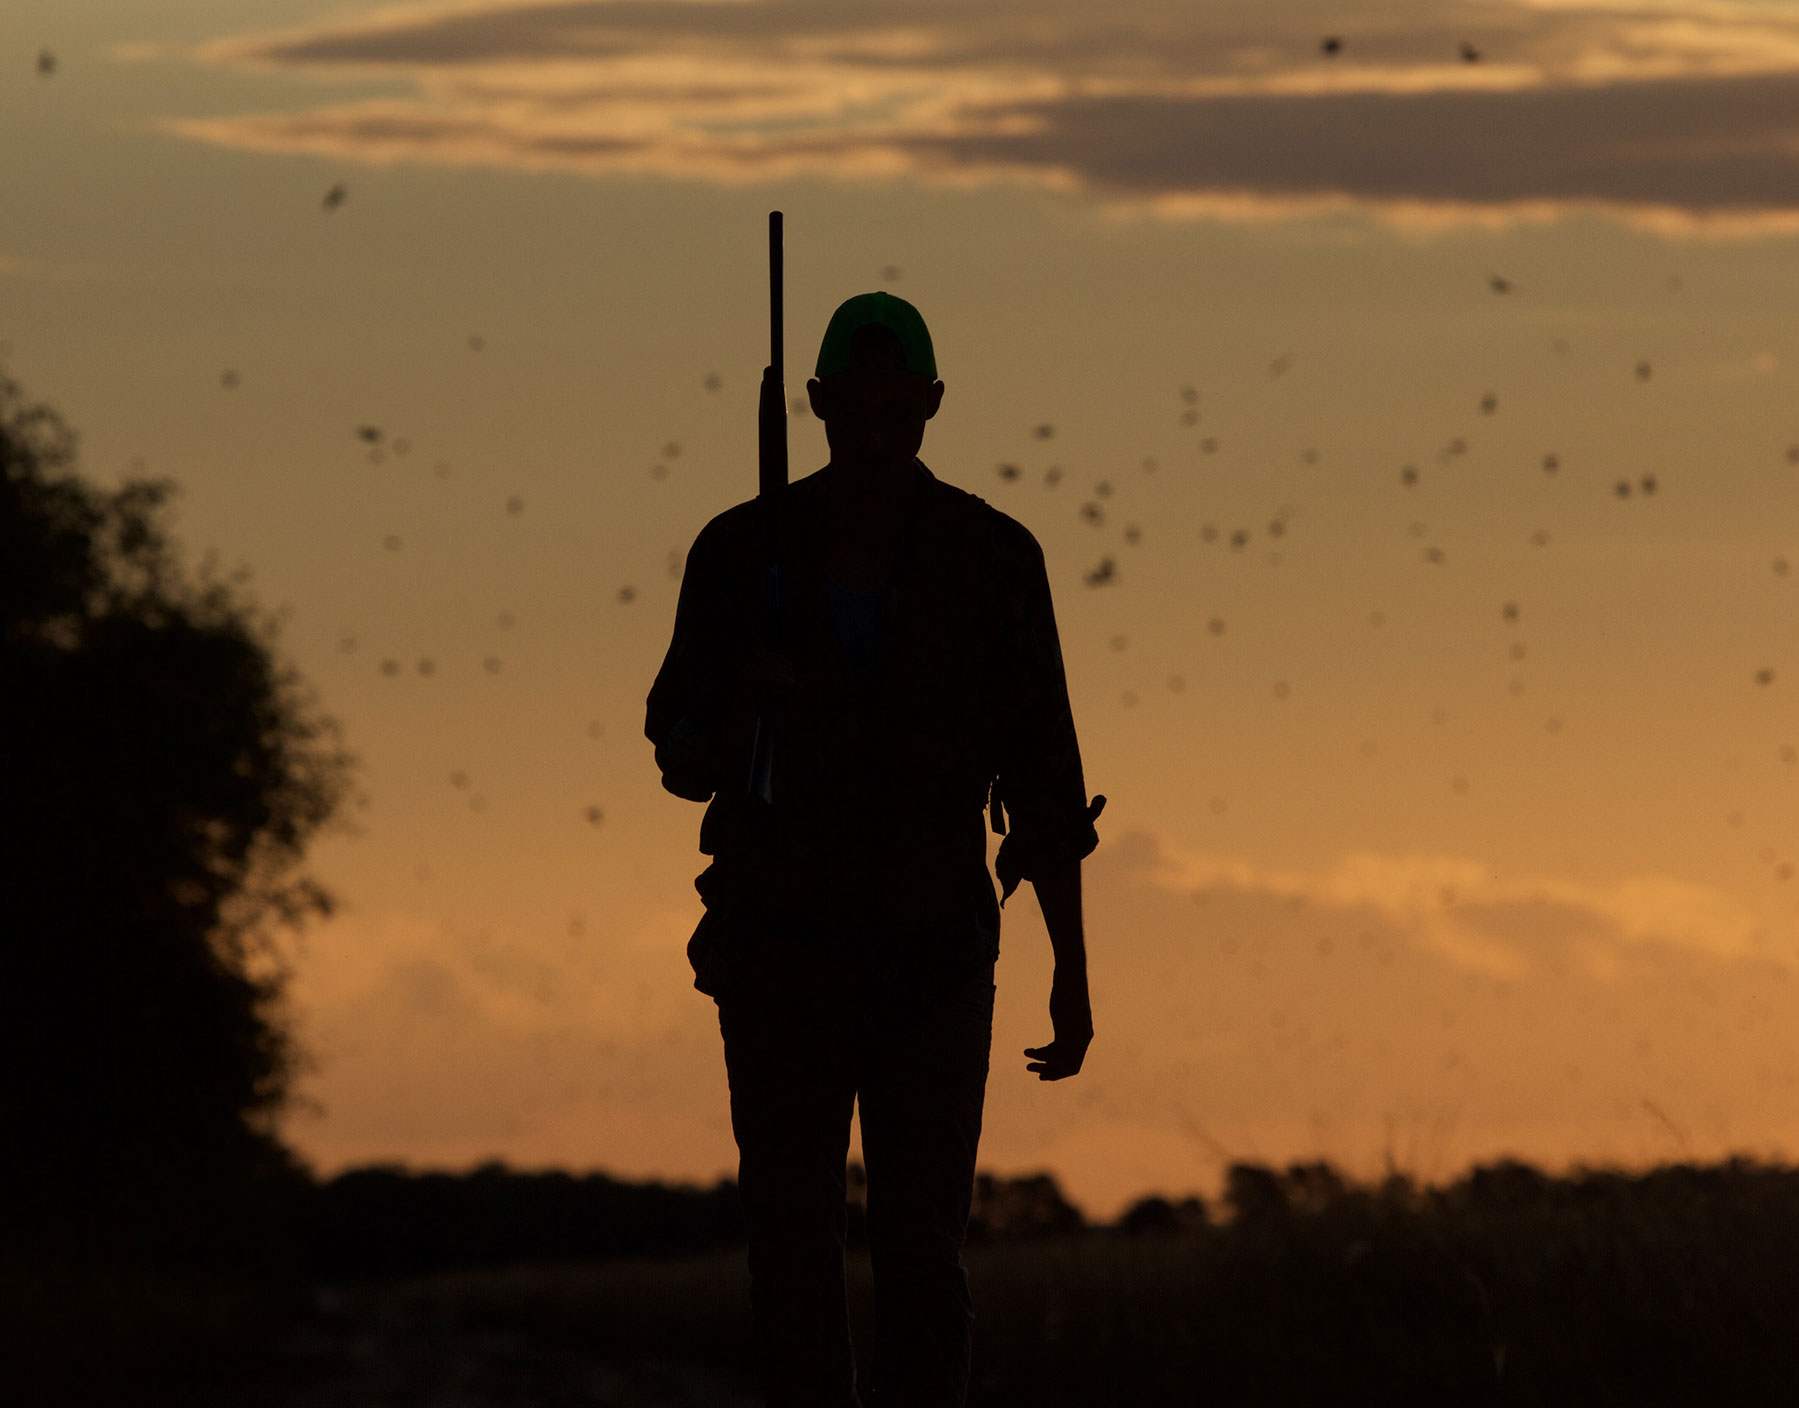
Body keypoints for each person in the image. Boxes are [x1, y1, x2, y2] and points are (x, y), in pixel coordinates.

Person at [645, 291, 1105, 1408]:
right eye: (854, 408)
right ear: (814, 404)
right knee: (791, 1256)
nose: (875, 430)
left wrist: (1071, 972)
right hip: (779, 951)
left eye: (898, 408)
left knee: (922, 1260)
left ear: (933, 405)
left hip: (932, 955)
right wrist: (744, 708)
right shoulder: (738, 550)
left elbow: (1045, 780)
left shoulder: (993, 557)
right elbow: (679, 754)